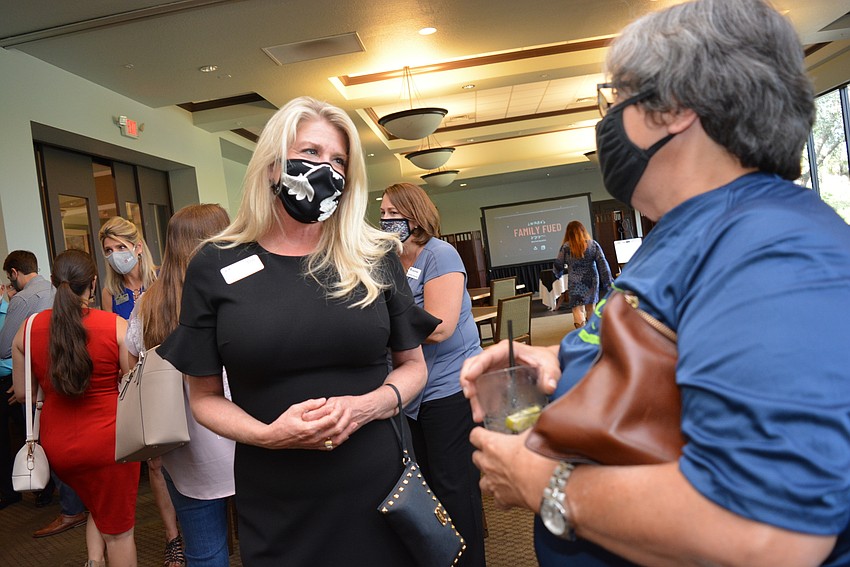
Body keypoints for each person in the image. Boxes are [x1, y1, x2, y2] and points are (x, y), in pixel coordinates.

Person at [460, 0, 850, 565]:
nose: (609, 120)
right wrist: (567, 369)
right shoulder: (689, 230)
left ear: (676, 109)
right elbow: (667, 359)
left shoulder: (775, 248)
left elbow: (765, 536)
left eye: (618, 98)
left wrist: (541, 481)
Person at [158, 96, 438, 566]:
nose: (324, 169)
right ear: (272, 164)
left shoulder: (373, 254)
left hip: (378, 484)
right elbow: (203, 398)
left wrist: (367, 406)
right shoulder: (216, 262)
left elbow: (413, 367)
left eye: (338, 161)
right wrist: (269, 435)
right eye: (310, 154)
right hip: (276, 491)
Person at [380, 182, 486, 567]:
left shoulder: (440, 255)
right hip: (410, 394)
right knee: (424, 490)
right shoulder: (388, 260)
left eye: (395, 213)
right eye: (384, 213)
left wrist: (383, 323)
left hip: (448, 389)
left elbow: (440, 326)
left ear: (416, 216)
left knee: (455, 489)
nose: (387, 220)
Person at [12, 249, 140, 567]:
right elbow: (132, 387)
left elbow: (25, 394)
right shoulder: (115, 327)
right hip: (110, 444)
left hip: (59, 447)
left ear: (55, 283)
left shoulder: (27, 330)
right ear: (93, 284)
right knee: (120, 534)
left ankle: (95, 561)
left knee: (98, 506)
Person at [127, 204, 235, 567]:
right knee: (265, 541)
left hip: (184, 446)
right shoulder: (236, 291)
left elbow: (133, 368)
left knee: (204, 551)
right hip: (246, 435)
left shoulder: (148, 304)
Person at [98, 217, 183, 566]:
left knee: (185, 455)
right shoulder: (110, 293)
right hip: (139, 380)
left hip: (175, 371)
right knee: (156, 462)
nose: (116, 256)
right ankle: (172, 537)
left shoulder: (163, 277)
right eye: (108, 250)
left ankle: (194, 519)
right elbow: (113, 340)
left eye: (121, 247)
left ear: (137, 246)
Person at [0, 251, 56, 511]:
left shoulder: (22, 299)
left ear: (14, 273)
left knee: (34, 433)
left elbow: (5, 348)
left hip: (33, 377)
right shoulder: (56, 289)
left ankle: (43, 488)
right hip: (58, 371)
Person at [552, 221, 612, 328]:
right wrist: (608, 282)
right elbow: (603, 264)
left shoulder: (566, 247)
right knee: (591, 308)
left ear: (568, 233)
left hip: (575, 282)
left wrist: (556, 274)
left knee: (577, 309)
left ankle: (581, 335)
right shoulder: (593, 245)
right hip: (592, 280)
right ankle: (592, 334)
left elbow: (558, 264)